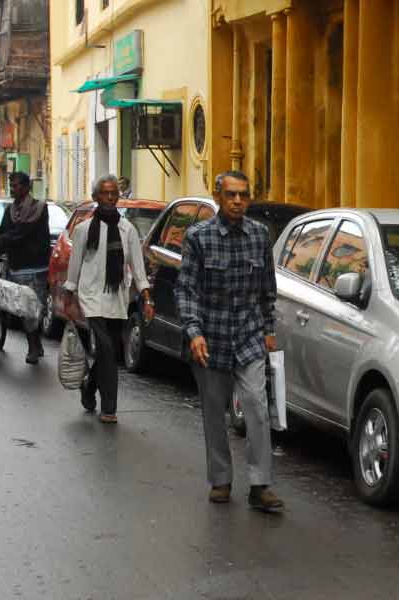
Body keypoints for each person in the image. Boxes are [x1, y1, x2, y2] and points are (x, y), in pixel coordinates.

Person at [174, 170, 284, 512]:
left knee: (257, 409)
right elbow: (187, 289)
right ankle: (221, 480)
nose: (238, 201)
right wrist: (194, 331)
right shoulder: (198, 237)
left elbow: (268, 288)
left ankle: (260, 484)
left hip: (248, 337)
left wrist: (267, 329)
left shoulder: (259, 236)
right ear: (219, 196)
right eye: (231, 195)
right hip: (211, 338)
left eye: (244, 195)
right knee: (214, 413)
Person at [63, 175, 154, 423]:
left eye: (114, 193)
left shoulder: (128, 230)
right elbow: (75, 263)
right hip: (91, 296)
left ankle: (89, 387)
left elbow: (137, 266)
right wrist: (69, 294)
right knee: (105, 348)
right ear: (96, 197)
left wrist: (146, 296)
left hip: (117, 297)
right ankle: (109, 408)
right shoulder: (83, 229)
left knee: (109, 351)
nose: (111, 197)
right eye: (105, 193)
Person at [0, 172, 50, 365]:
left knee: (32, 307)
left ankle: (33, 346)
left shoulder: (39, 208)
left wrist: (2, 239)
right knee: (25, 308)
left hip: (34, 266)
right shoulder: (10, 210)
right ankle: (35, 344)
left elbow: (20, 233)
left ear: (26, 187)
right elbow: (6, 232)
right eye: (11, 185)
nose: (12, 189)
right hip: (16, 265)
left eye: (15, 186)